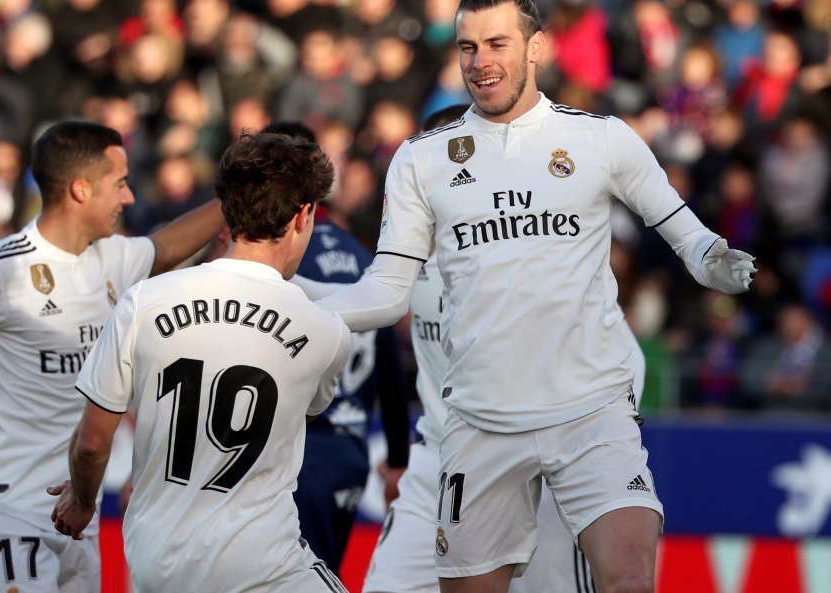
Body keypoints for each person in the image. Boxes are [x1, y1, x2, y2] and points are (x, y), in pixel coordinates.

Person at [308, 2, 756, 592]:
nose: (481, 62)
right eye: (469, 48)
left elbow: (686, 232)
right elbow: (388, 290)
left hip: (591, 414)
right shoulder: (420, 161)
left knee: (629, 579)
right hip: (479, 424)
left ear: (537, 47)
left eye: (497, 44)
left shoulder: (602, 139)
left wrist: (711, 261)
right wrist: (297, 307)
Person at [0, 121, 224, 593]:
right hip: (8, 507)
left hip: (75, 515)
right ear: (80, 190)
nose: (128, 199)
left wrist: (239, 195)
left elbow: (169, 246)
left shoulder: (112, 257)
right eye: (120, 184)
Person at [49, 132, 354, 593]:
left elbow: (92, 442)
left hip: (156, 565)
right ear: (302, 215)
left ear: (227, 213)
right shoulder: (325, 330)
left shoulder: (144, 301)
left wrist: (82, 501)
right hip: (264, 565)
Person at [265, 121, 412, 572]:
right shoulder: (366, 257)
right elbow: (389, 365)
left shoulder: (282, 260)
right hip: (349, 453)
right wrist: (398, 457)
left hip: (297, 451)